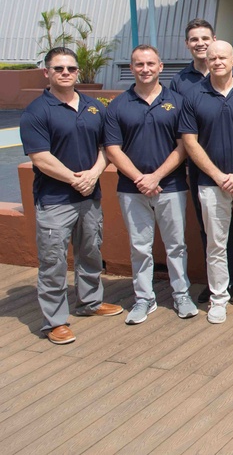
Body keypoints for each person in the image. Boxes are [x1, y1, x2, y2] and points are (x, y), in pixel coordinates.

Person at [20, 47, 123, 345]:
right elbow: (40, 157)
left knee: (90, 251)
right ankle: (54, 322)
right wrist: (75, 179)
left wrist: (93, 174)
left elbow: (108, 147)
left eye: (70, 69)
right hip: (54, 200)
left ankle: (89, 303)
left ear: (78, 72)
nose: (65, 73)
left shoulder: (94, 107)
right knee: (53, 260)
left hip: (90, 195)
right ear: (47, 73)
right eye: (59, 69)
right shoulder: (36, 112)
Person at [104, 45, 197, 324]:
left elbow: (184, 146)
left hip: (171, 186)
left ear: (160, 66)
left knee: (176, 245)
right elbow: (113, 149)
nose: (145, 69)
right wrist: (140, 179)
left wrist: (156, 176)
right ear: (131, 68)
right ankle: (144, 299)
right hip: (132, 189)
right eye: (139, 64)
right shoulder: (119, 105)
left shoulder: (178, 102)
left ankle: (181, 294)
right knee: (140, 247)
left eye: (150, 64)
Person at [179, 41, 233, 324]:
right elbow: (190, 142)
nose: (217, 61)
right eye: (212, 57)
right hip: (209, 183)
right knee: (216, 244)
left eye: (222, 57)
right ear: (207, 61)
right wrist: (218, 176)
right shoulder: (194, 96)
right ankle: (219, 298)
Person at [170, 19, 233, 304]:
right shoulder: (181, 81)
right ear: (187, 44)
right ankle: (217, 283)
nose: (200, 44)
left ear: (214, 39)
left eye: (205, 38)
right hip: (201, 168)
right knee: (208, 228)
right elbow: (183, 128)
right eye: (194, 39)